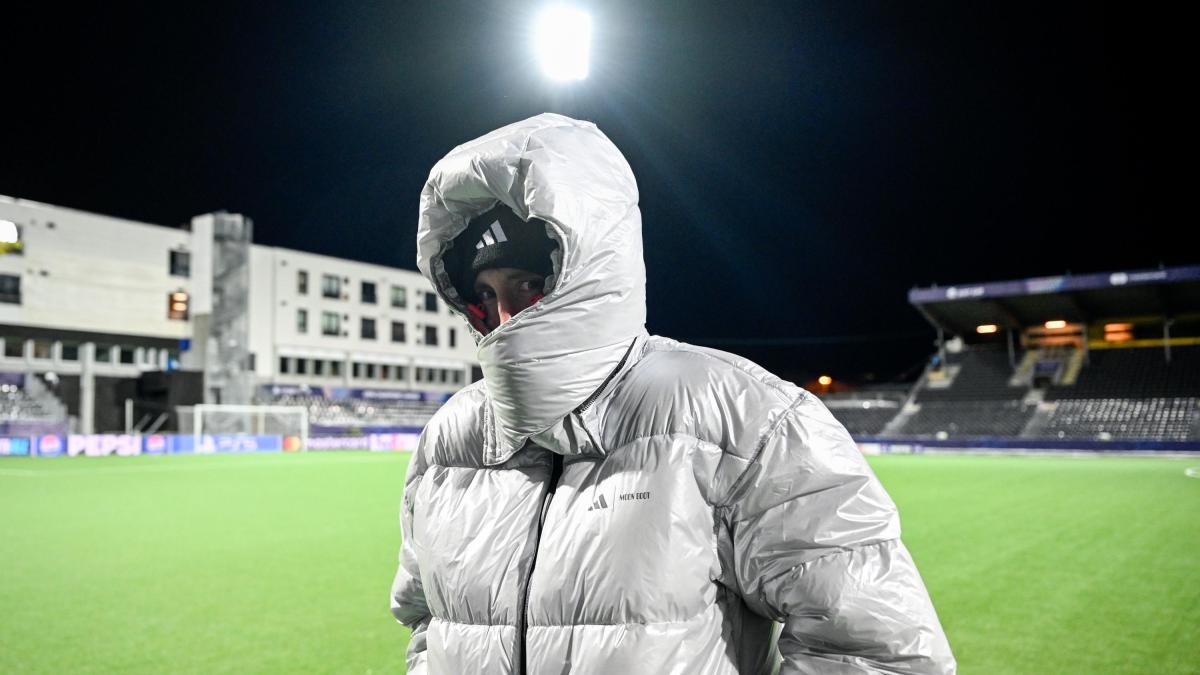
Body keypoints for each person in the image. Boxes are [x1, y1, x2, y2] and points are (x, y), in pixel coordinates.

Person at [391, 113, 956, 674]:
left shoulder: (748, 418)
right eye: (486, 295)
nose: (506, 316)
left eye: (531, 284)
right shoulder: (449, 435)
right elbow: (427, 625)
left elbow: (878, 654)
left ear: (590, 273)